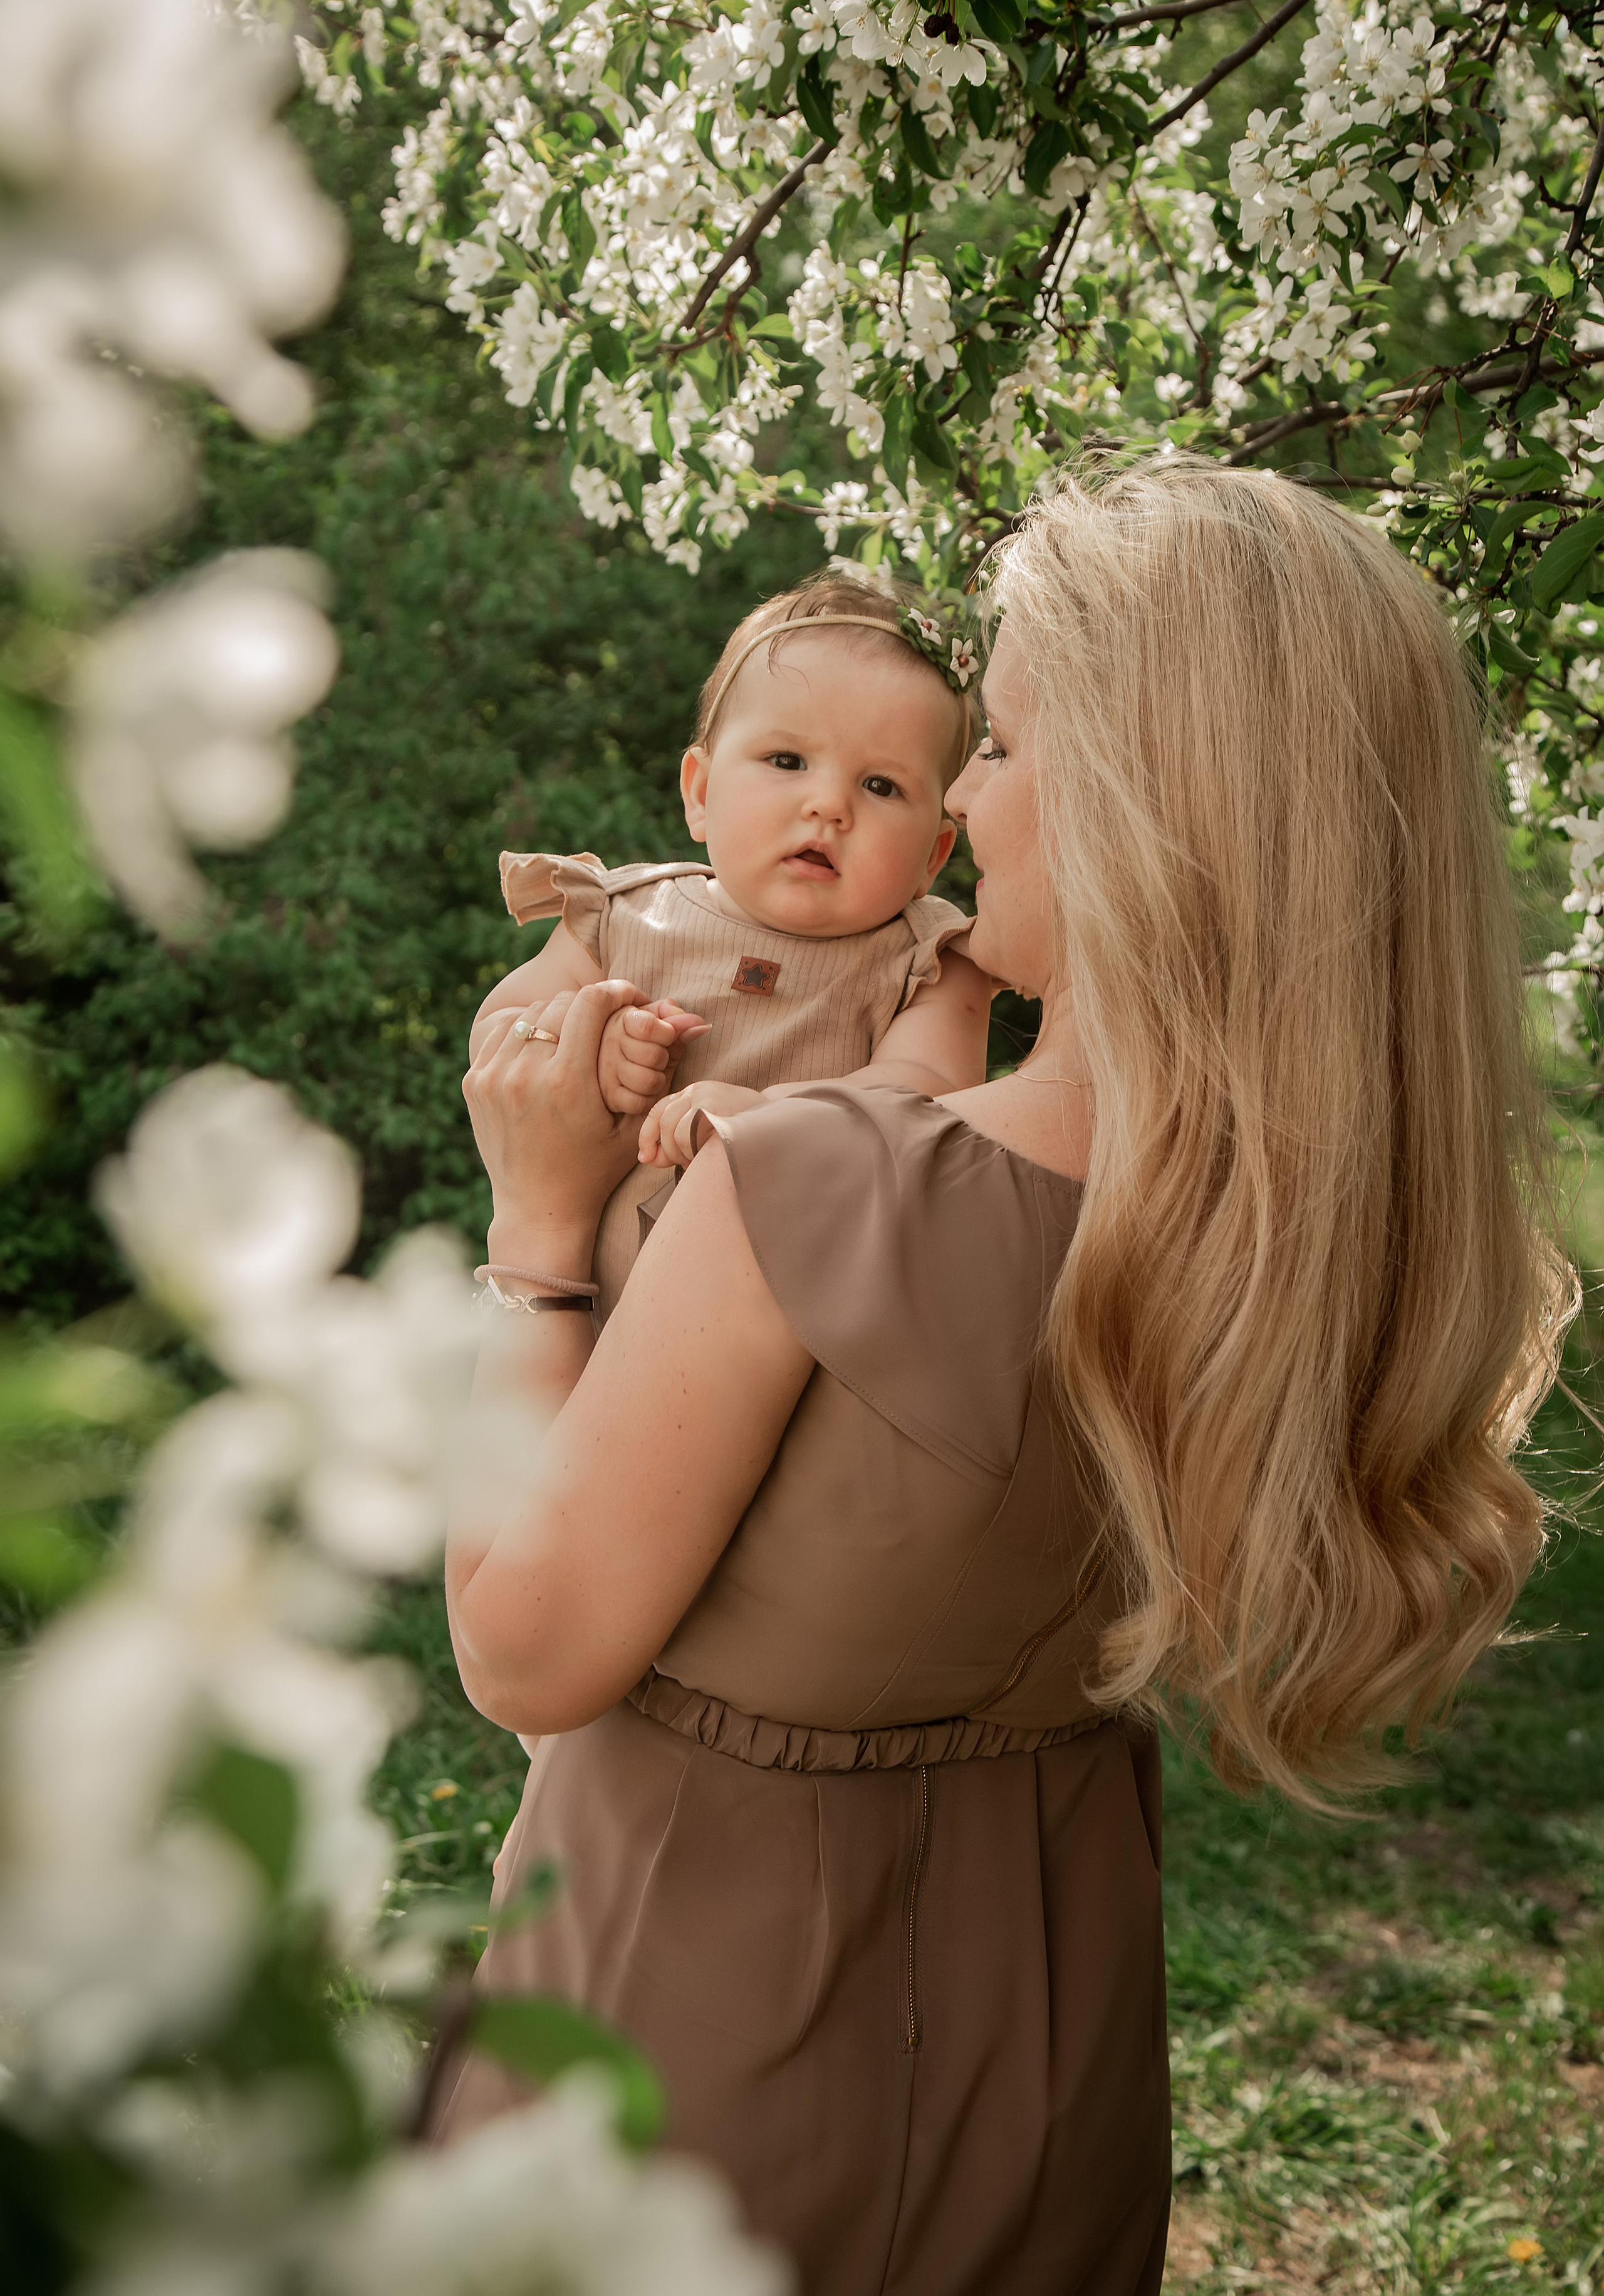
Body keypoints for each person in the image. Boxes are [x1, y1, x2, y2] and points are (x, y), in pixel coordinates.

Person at [437, 459, 1570, 2296]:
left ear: (1141, 803)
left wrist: (539, 1235)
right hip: (1046, 2073)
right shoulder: (1298, 1254)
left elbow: (522, 1651)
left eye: (1003, 748)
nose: (956, 805)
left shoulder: (806, 1194)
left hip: (681, 2073)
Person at [475, 573, 993, 1319]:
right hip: (581, 1300)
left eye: (881, 786)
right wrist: (591, 1037)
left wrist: (771, 1115)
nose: (828, 805)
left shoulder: (926, 961)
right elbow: (498, 1040)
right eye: (787, 761)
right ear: (699, 791)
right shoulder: (624, 914)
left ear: (932, 859)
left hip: (792, 1331)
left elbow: (930, 1097)